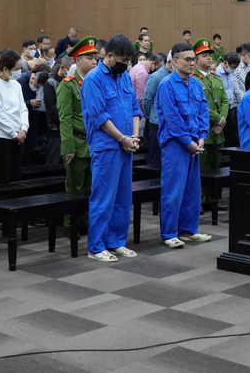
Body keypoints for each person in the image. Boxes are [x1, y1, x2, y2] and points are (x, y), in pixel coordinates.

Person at [81, 34, 141, 262]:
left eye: (128, 61)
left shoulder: (124, 76)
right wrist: (122, 138)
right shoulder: (93, 79)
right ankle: (96, 247)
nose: (125, 64)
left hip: (126, 145)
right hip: (107, 146)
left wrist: (134, 136)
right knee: (103, 198)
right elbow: (99, 116)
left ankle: (116, 242)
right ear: (109, 55)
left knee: (123, 199)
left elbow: (135, 108)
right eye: (122, 60)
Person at [156, 43, 212, 249]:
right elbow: (172, 119)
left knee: (192, 190)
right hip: (176, 144)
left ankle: (188, 229)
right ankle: (169, 233)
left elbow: (203, 112)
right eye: (187, 59)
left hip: (194, 143)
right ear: (175, 61)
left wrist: (202, 137)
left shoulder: (196, 84)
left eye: (193, 59)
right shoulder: (166, 85)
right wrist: (188, 142)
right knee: (174, 190)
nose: (192, 63)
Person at [57, 36, 98, 232]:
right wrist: (68, 147)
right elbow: (65, 119)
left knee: (91, 187)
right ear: (78, 60)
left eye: (95, 58)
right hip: (77, 141)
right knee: (74, 187)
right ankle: (71, 223)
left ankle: (87, 221)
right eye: (89, 58)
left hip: (94, 142)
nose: (94, 61)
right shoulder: (68, 85)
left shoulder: (95, 83)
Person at [192, 38, 229, 206]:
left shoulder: (216, 78)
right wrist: (217, 119)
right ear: (196, 59)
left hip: (218, 132)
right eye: (204, 55)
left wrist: (221, 121)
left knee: (215, 168)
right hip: (203, 132)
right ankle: (200, 201)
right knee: (201, 169)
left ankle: (213, 200)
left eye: (209, 55)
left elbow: (225, 101)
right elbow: (199, 105)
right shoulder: (193, 79)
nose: (209, 58)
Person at [0, 50, 28, 184]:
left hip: (18, 136)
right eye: (17, 69)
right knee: (0, 178)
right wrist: (13, 133)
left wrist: (24, 128)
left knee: (15, 177)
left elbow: (22, 108)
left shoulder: (16, 84)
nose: (20, 72)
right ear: (6, 69)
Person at [142, 51, 172, 168]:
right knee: (155, 163)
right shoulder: (156, 77)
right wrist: (151, 117)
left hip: (170, 125)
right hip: (156, 125)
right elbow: (147, 100)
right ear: (170, 62)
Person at [216, 52, 241, 147]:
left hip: (231, 107)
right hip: (221, 108)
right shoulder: (216, 73)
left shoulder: (232, 73)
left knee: (232, 134)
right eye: (232, 67)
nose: (233, 69)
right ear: (225, 63)